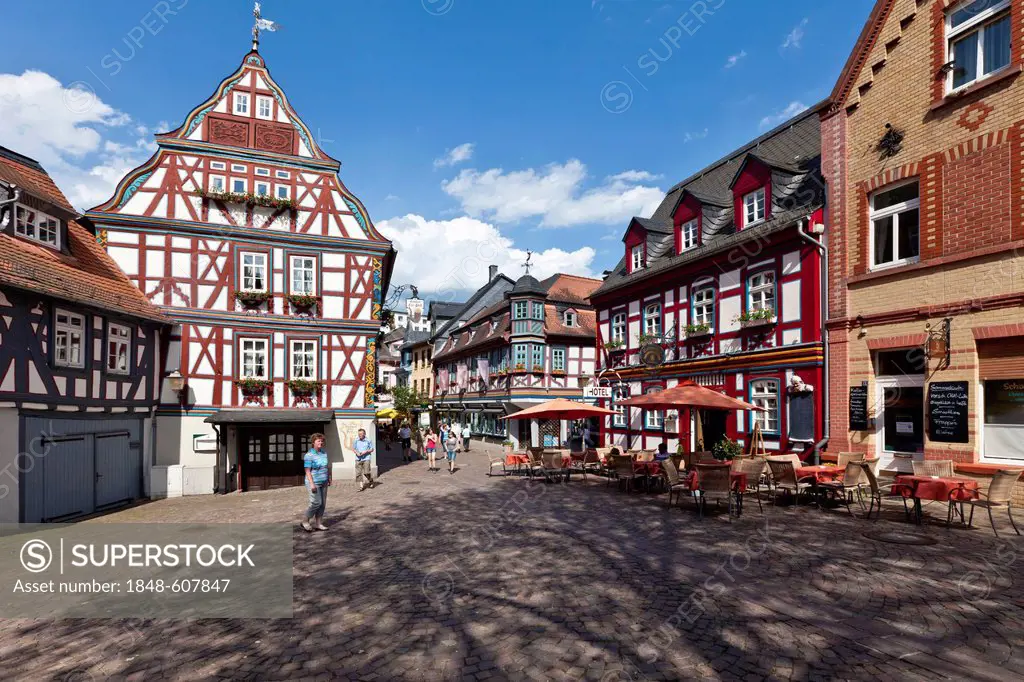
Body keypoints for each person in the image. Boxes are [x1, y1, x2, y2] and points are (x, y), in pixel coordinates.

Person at [301, 433, 330, 532]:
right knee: (316, 503)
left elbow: (326, 466)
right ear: (313, 442)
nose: (321, 442)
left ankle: (318, 524)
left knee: (322, 504)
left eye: (322, 441)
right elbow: (307, 470)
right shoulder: (309, 455)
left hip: (324, 481)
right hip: (314, 482)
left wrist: (328, 477)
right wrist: (312, 484)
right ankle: (305, 521)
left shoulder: (324, 453)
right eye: (318, 441)